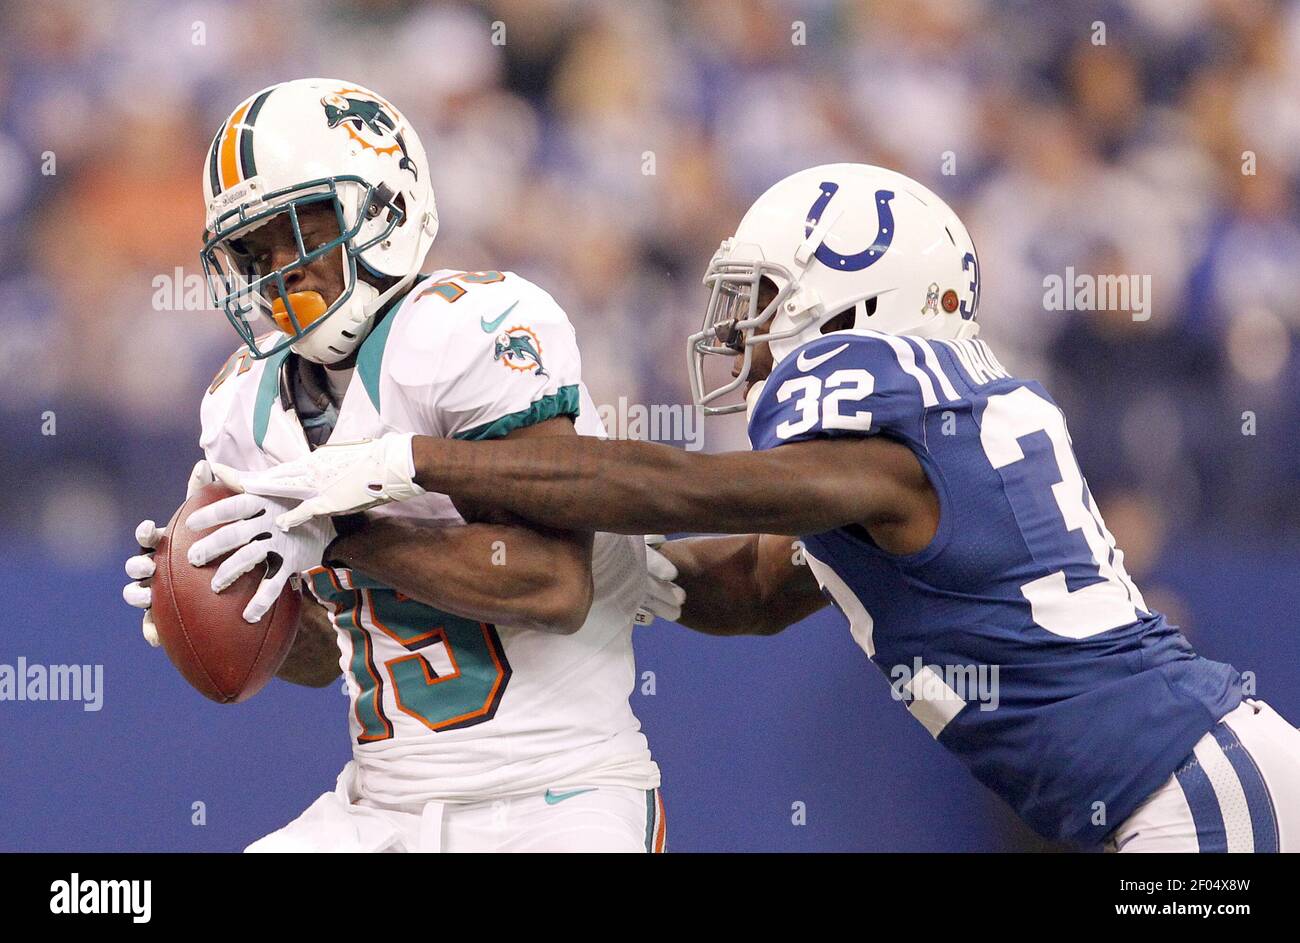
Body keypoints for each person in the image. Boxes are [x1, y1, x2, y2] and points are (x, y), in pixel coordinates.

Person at [222, 163, 1300, 852]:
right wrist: (628, 580)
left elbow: (684, 486)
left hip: (1197, 792)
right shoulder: (915, 451)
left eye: (766, 303)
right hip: (1184, 790)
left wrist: (405, 460)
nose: (743, 339)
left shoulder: (903, 422)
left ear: (864, 298)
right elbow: (750, 585)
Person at [122, 78, 670, 853]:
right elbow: (330, 650)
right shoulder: (241, 405)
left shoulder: (472, 330)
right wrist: (230, 592)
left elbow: (553, 581)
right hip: (379, 803)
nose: (281, 269)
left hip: (559, 789)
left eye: (299, 229)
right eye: (253, 250)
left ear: (386, 206)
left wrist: (339, 534)